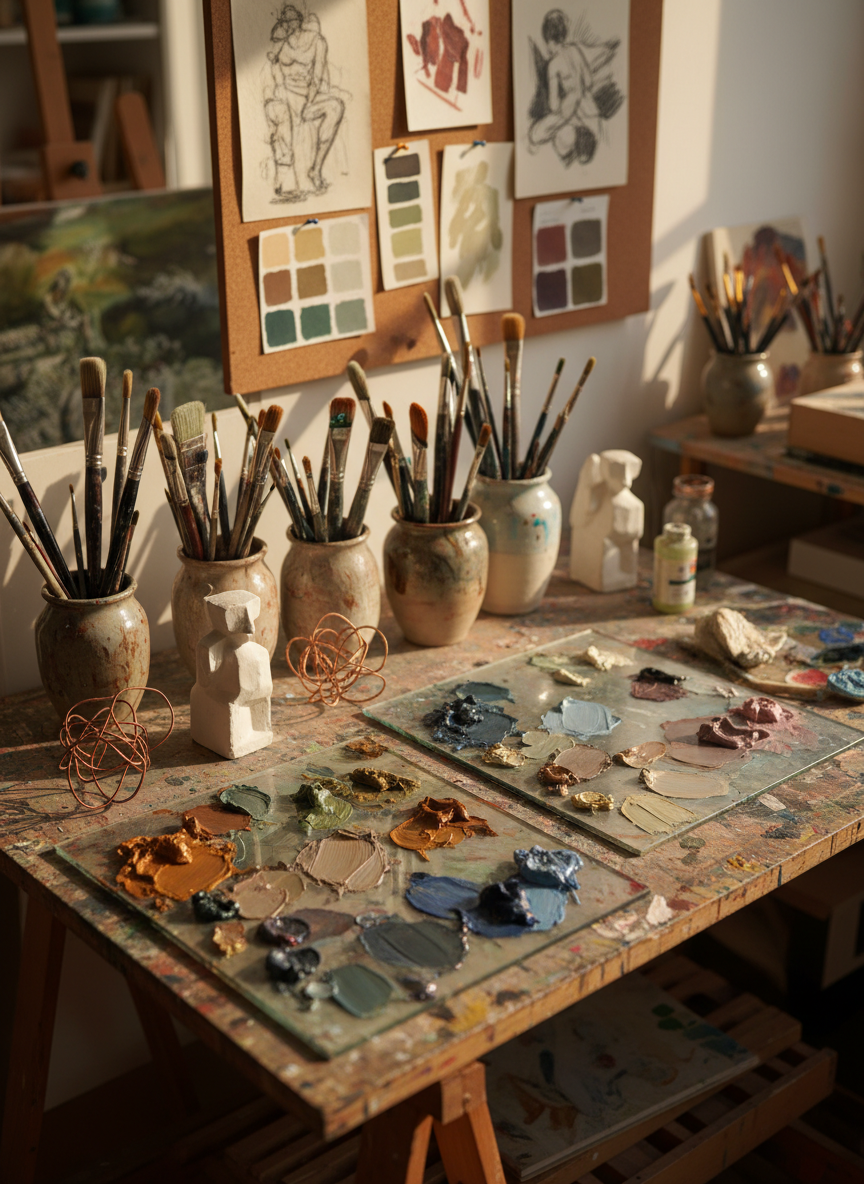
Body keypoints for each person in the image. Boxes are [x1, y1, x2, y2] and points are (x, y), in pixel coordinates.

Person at [264, 4, 345, 199]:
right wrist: (279, 87)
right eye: (285, 22)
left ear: (299, 21)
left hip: (307, 98)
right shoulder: (282, 42)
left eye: (290, 21)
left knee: (336, 107)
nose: (288, 25)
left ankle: (315, 169)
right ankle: (282, 180)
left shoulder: (317, 42)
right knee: (280, 116)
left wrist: (309, 102)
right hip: (285, 96)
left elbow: (317, 76)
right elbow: (273, 66)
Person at [528, 9, 622, 167]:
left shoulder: (553, 64)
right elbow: (588, 80)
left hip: (567, 112)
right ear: (563, 35)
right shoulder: (575, 49)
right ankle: (579, 139)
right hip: (587, 106)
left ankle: (573, 139)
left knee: (534, 135)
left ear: (548, 40)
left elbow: (553, 105)